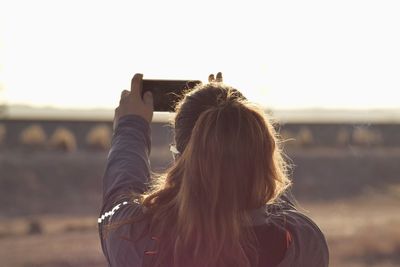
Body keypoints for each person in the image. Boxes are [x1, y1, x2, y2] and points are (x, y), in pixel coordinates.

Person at [98, 73, 329, 267]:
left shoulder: (138, 239)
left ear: (182, 161)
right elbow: (274, 201)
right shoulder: (302, 244)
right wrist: (238, 132)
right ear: (262, 159)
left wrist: (131, 127)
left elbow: (116, 202)